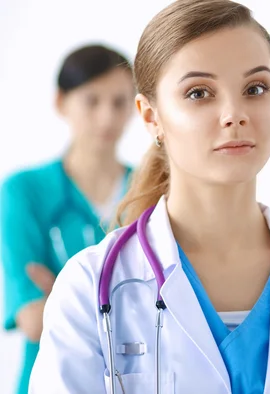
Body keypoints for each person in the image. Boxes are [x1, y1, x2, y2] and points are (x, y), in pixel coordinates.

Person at [28, 1, 270, 393]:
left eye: (255, 88)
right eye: (199, 93)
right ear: (151, 117)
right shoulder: (89, 288)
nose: (234, 114)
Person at [0, 44, 134, 394]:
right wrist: (127, 310)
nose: (107, 118)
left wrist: (62, 297)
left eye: (120, 102)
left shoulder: (154, 191)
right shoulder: (23, 191)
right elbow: (32, 319)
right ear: (61, 102)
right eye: (92, 101)